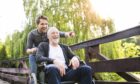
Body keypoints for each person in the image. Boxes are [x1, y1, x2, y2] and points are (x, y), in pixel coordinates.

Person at [26, 15, 75, 84]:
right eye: (42, 24)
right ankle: (33, 79)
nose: (45, 26)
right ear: (37, 25)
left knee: (50, 64)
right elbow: (27, 50)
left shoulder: (49, 31)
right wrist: (32, 50)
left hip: (46, 53)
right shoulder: (31, 34)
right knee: (33, 67)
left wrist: (69, 34)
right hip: (36, 54)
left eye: (46, 24)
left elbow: (60, 33)